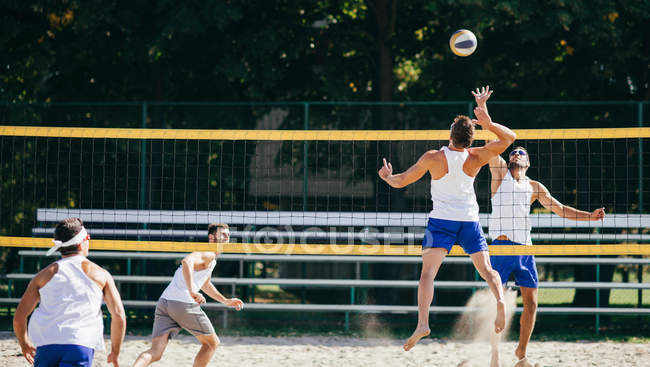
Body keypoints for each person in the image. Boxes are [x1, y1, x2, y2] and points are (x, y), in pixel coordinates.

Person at [378, 86, 516, 351]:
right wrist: (487, 120)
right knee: (488, 271)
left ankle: (422, 323)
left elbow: (401, 181)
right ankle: (500, 300)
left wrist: (386, 177)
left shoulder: (433, 157)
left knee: (427, 274)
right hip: (469, 221)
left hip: (441, 221)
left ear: (450, 135)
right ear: (471, 140)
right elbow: (510, 137)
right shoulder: (477, 156)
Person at [486, 109, 605, 366]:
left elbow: (561, 209)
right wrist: (486, 117)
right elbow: (491, 146)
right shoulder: (499, 174)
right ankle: (494, 356)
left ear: (528, 164)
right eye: (513, 155)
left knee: (531, 303)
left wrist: (590, 217)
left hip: (525, 250)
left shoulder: (534, 187)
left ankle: (521, 353)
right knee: (497, 305)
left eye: (520, 155)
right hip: (501, 248)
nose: (515, 157)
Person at [13, 217, 126, 366]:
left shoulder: (43, 275)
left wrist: (25, 344)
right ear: (82, 242)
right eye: (88, 238)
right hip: (80, 343)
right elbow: (119, 316)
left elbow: (19, 318)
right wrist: (115, 352)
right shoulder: (100, 274)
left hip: (46, 345)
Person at [132, 223, 244, 367]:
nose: (227, 237)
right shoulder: (208, 253)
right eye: (223, 234)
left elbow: (205, 284)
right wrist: (192, 291)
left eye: (228, 234)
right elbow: (186, 262)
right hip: (182, 303)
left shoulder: (211, 258)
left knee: (155, 352)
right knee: (212, 344)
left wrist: (225, 301)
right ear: (211, 237)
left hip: (165, 302)